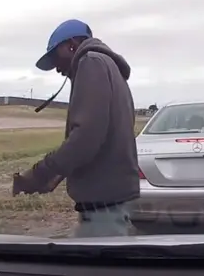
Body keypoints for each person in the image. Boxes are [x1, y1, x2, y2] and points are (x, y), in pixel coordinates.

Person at [12, 19, 140, 237]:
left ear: (72, 45)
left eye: (56, 57)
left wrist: (40, 173)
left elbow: (86, 138)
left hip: (103, 200)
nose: (57, 68)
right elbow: (99, 133)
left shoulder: (91, 63)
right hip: (107, 197)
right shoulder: (107, 66)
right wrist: (60, 174)